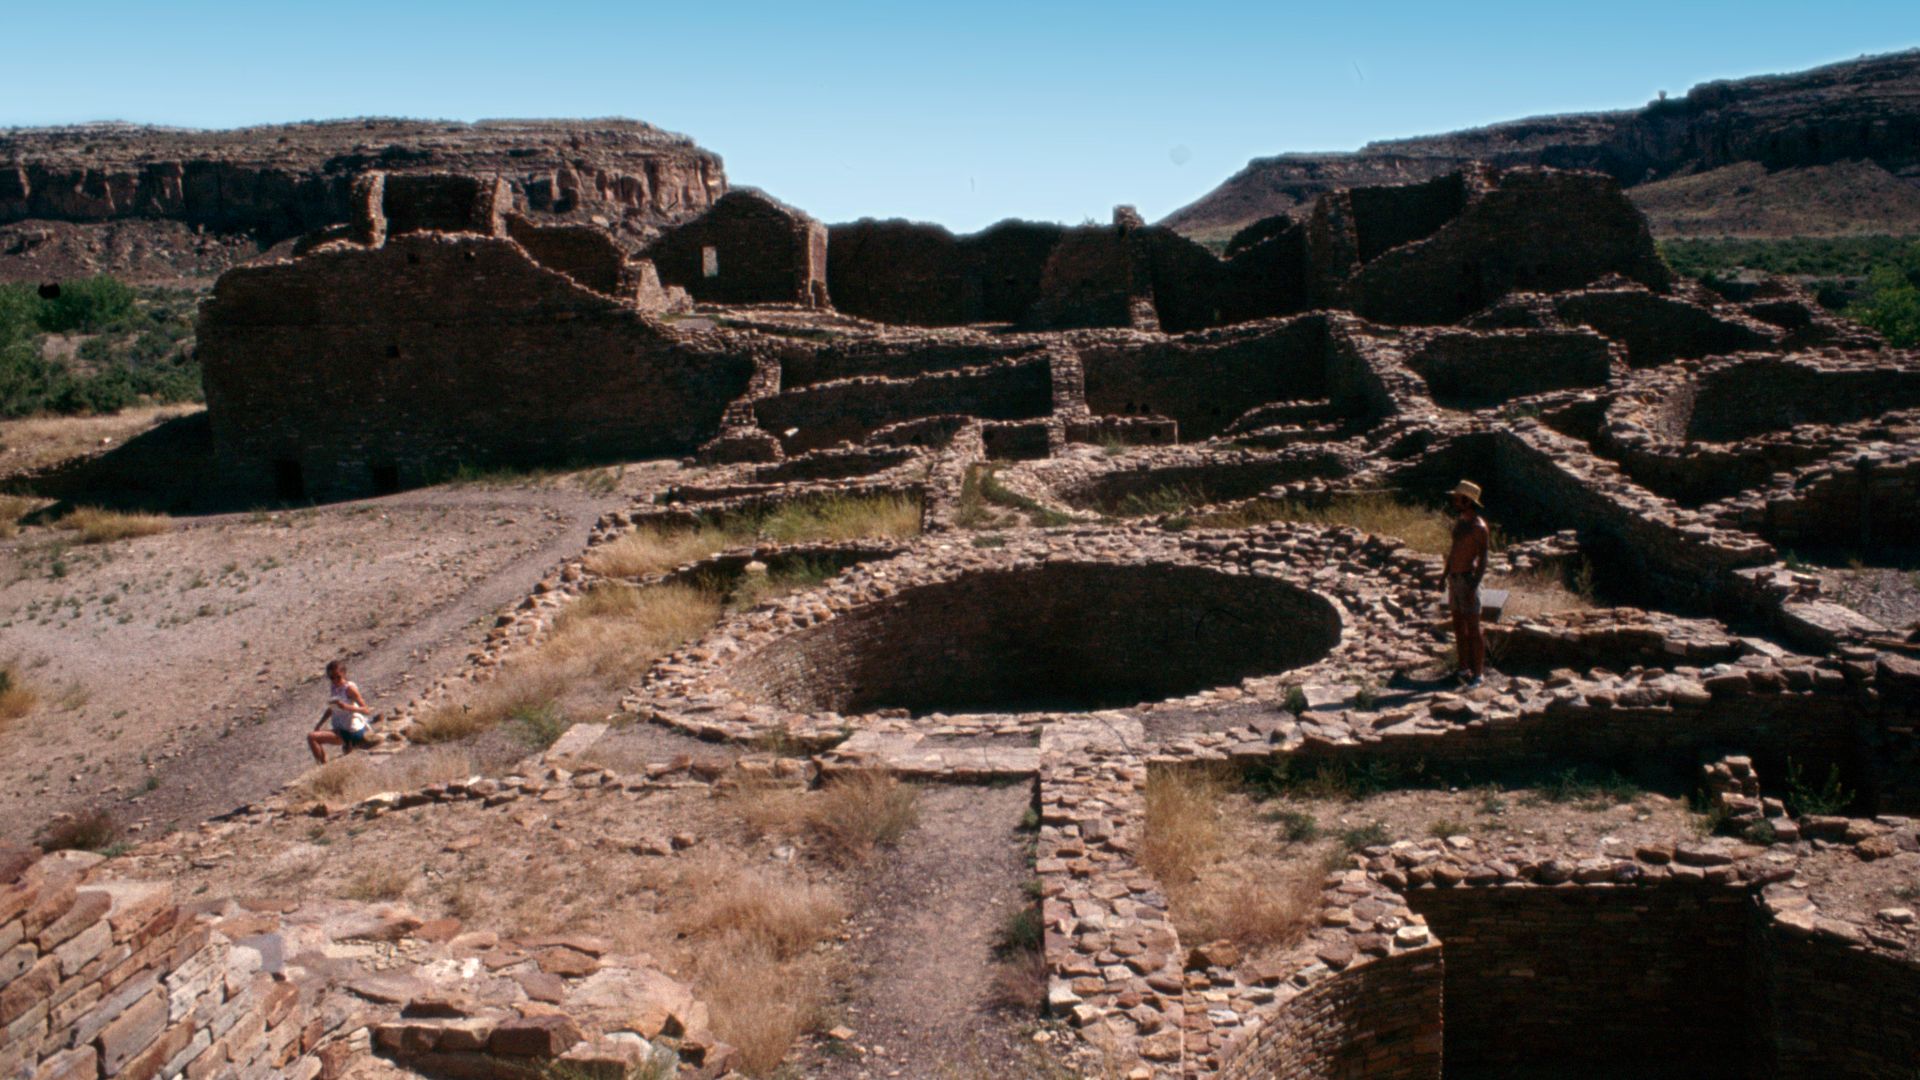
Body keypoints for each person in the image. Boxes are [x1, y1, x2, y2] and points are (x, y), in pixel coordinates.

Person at [1444, 480, 1491, 687]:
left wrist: (1473, 586)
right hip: (1454, 579)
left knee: (1473, 628)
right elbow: (1454, 550)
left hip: (1467, 579)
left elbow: (1483, 559)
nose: (1454, 500)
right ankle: (1463, 667)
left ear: (1467, 500)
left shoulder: (1479, 527)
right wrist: (1443, 575)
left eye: (1457, 497)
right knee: (1458, 625)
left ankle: (1478, 674)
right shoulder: (1462, 521)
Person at [308, 660, 374, 763]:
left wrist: (346, 707)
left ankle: (322, 766)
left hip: (351, 730)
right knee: (315, 736)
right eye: (332, 678)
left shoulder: (349, 689)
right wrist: (319, 724)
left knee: (312, 737)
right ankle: (324, 763)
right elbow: (332, 708)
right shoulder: (334, 687)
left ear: (344, 673)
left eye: (338, 677)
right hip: (341, 728)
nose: (335, 680)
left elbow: (366, 710)